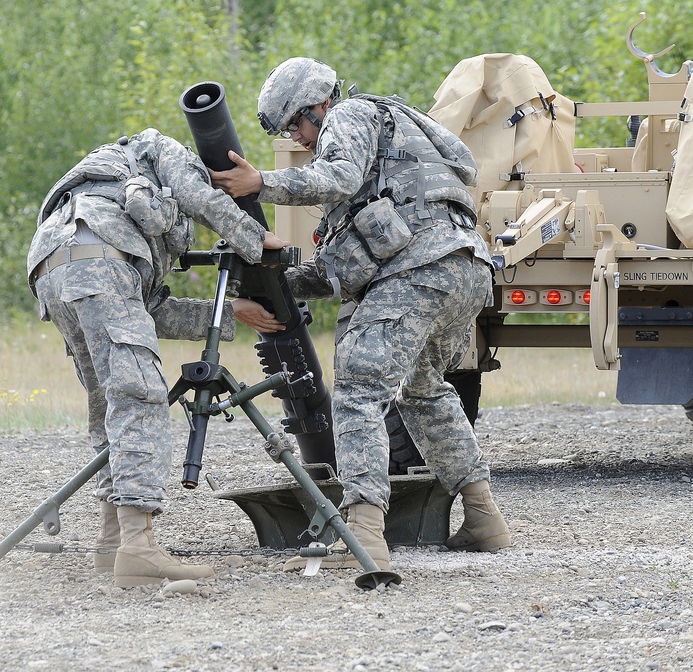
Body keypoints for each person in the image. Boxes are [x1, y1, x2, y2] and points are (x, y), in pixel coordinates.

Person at [210, 58, 511, 571]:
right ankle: (484, 517)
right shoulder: (399, 131)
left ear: (319, 105)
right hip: (465, 268)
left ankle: (365, 535)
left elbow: (337, 176)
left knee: (358, 391)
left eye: (297, 125)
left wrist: (261, 183)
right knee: (423, 389)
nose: (299, 138)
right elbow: (344, 265)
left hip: (420, 270)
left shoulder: (349, 115)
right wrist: (281, 283)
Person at [27, 128, 288, 587]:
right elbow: (201, 199)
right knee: (139, 397)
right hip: (102, 266)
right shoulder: (163, 149)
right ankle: (139, 548)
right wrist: (258, 240)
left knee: (109, 406)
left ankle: (112, 544)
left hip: (54, 270)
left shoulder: (99, 182)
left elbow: (150, 310)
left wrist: (229, 313)